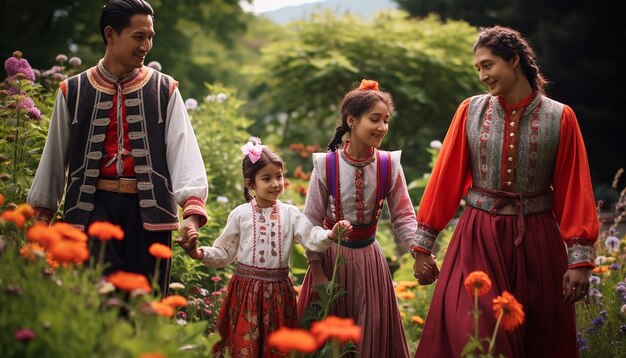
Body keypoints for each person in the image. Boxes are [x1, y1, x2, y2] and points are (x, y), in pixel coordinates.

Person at [412, 25, 598, 357]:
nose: (482, 75)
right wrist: (423, 246)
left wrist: (579, 260)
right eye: (478, 68)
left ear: (513, 60)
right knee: (477, 332)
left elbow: (574, 189)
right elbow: (446, 179)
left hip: (538, 243)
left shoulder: (561, 118)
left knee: (537, 338)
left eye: (488, 65)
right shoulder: (470, 111)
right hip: (478, 237)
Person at [27, 0, 208, 296]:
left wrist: (191, 212)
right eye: (138, 36)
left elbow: (182, 153)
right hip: (90, 214)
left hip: (151, 218)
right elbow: (53, 159)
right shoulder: (72, 91)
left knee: (146, 308)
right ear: (111, 34)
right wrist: (41, 219)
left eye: (151, 36)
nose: (147, 45)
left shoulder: (165, 89)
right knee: (96, 306)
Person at [176, 139, 352, 357]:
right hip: (246, 294)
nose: (275, 184)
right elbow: (224, 252)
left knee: (278, 348)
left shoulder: (290, 214)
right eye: (266, 179)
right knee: (244, 347)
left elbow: (311, 237)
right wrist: (197, 253)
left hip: (279, 295)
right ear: (250, 184)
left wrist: (332, 233)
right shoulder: (240, 214)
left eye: (279, 176)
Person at [296, 79, 432, 357]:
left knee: (369, 336)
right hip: (330, 263)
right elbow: (309, 221)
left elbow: (404, 217)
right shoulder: (326, 165)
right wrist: (317, 270)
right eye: (375, 119)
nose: (382, 127)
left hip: (370, 263)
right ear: (352, 121)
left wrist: (420, 253)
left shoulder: (389, 165)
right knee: (328, 343)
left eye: (386, 120)